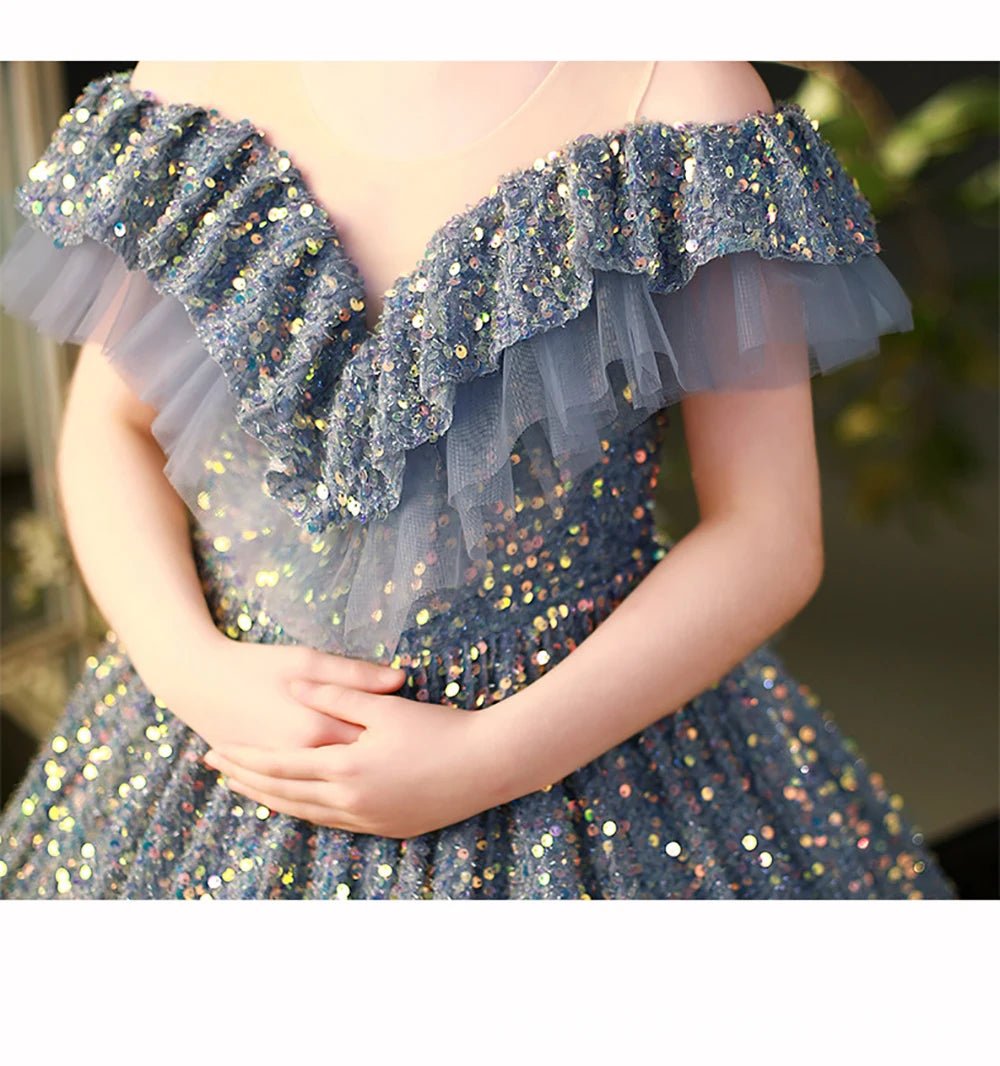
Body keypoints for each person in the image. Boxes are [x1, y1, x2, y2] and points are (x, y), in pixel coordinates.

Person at [0, 59, 959, 899]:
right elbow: (107, 431)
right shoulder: (200, 69)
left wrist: (490, 757)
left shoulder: (677, 96)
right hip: (235, 738)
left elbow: (769, 534)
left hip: (580, 750)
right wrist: (193, 671)